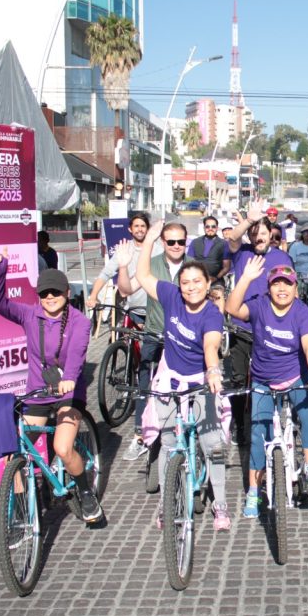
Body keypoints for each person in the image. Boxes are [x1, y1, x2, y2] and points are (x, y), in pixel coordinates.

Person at [0, 248, 100, 522]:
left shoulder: (80, 322)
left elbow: (77, 353)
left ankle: (86, 493)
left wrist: (69, 378)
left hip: (68, 393)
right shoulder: (30, 314)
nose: (50, 297)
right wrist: (1, 269)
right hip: (38, 393)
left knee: (62, 448)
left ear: (67, 294)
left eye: (56, 292)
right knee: (14, 450)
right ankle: (21, 511)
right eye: (44, 293)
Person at [134, 221, 230, 531]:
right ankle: (166, 504)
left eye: (197, 282)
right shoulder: (171, 296)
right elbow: (142, 276)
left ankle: (220, 504)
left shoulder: (211, 313)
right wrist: (149, 241)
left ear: (207, 283)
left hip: (201, 381)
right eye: (185, 282)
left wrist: (213, 371)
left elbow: (210, 345)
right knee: (168, 442)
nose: (191, 287)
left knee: (212, 444)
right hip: (170, 380)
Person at [226, 260, 308, 518]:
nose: (282, 289)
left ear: (296, 288)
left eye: (287, 284)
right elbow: (231, 308)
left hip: (295, 376)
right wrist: (245, 278)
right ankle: (254, 491)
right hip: (263, 379)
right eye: (276, 284)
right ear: (269, 288)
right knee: (258, 434)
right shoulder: (259, 306)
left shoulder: (303, 313)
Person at [117, 221, 188, 461]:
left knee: (184, 386)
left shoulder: (193, 267)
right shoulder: (152, 264)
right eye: (171, 241)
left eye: (181, 241)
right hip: (154, 332)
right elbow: (127, 289)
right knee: (145, 384)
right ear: (163, 242)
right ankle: (140, 435)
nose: (176, 246)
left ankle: (186, 432)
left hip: (182, 338)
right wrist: (123, 267)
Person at [225, 205, 294, 445]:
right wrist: (248, 221)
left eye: (262, 233)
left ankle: (271, 420)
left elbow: (291, 292)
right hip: (241, 326)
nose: (258, 237)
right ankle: (238, 422)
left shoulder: (281, 258)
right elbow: (232, 238)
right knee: (237, 378)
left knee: (270, 378)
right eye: (253, 234)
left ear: (270, 233)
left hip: (269, 329)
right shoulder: (242, 252)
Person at [86, 212, 154, 319]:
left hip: (155, 309)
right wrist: (93, 296)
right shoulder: (123, 249)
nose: (140, 229)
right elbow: (105, 274)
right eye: (136, 226)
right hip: (132, 308)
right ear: (130, 229)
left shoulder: (158, 249)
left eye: (143, 226)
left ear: (148, 229)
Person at [187, 215, 231, 280]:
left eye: (213, 227)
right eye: (207, 227)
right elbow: (188, 263)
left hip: (216, 279)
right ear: (204, 228)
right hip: (197, 279)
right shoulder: (195, 242)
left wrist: (215, 278)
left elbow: (226, 267)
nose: (210, 229)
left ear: (217, 228)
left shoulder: (223, 244)